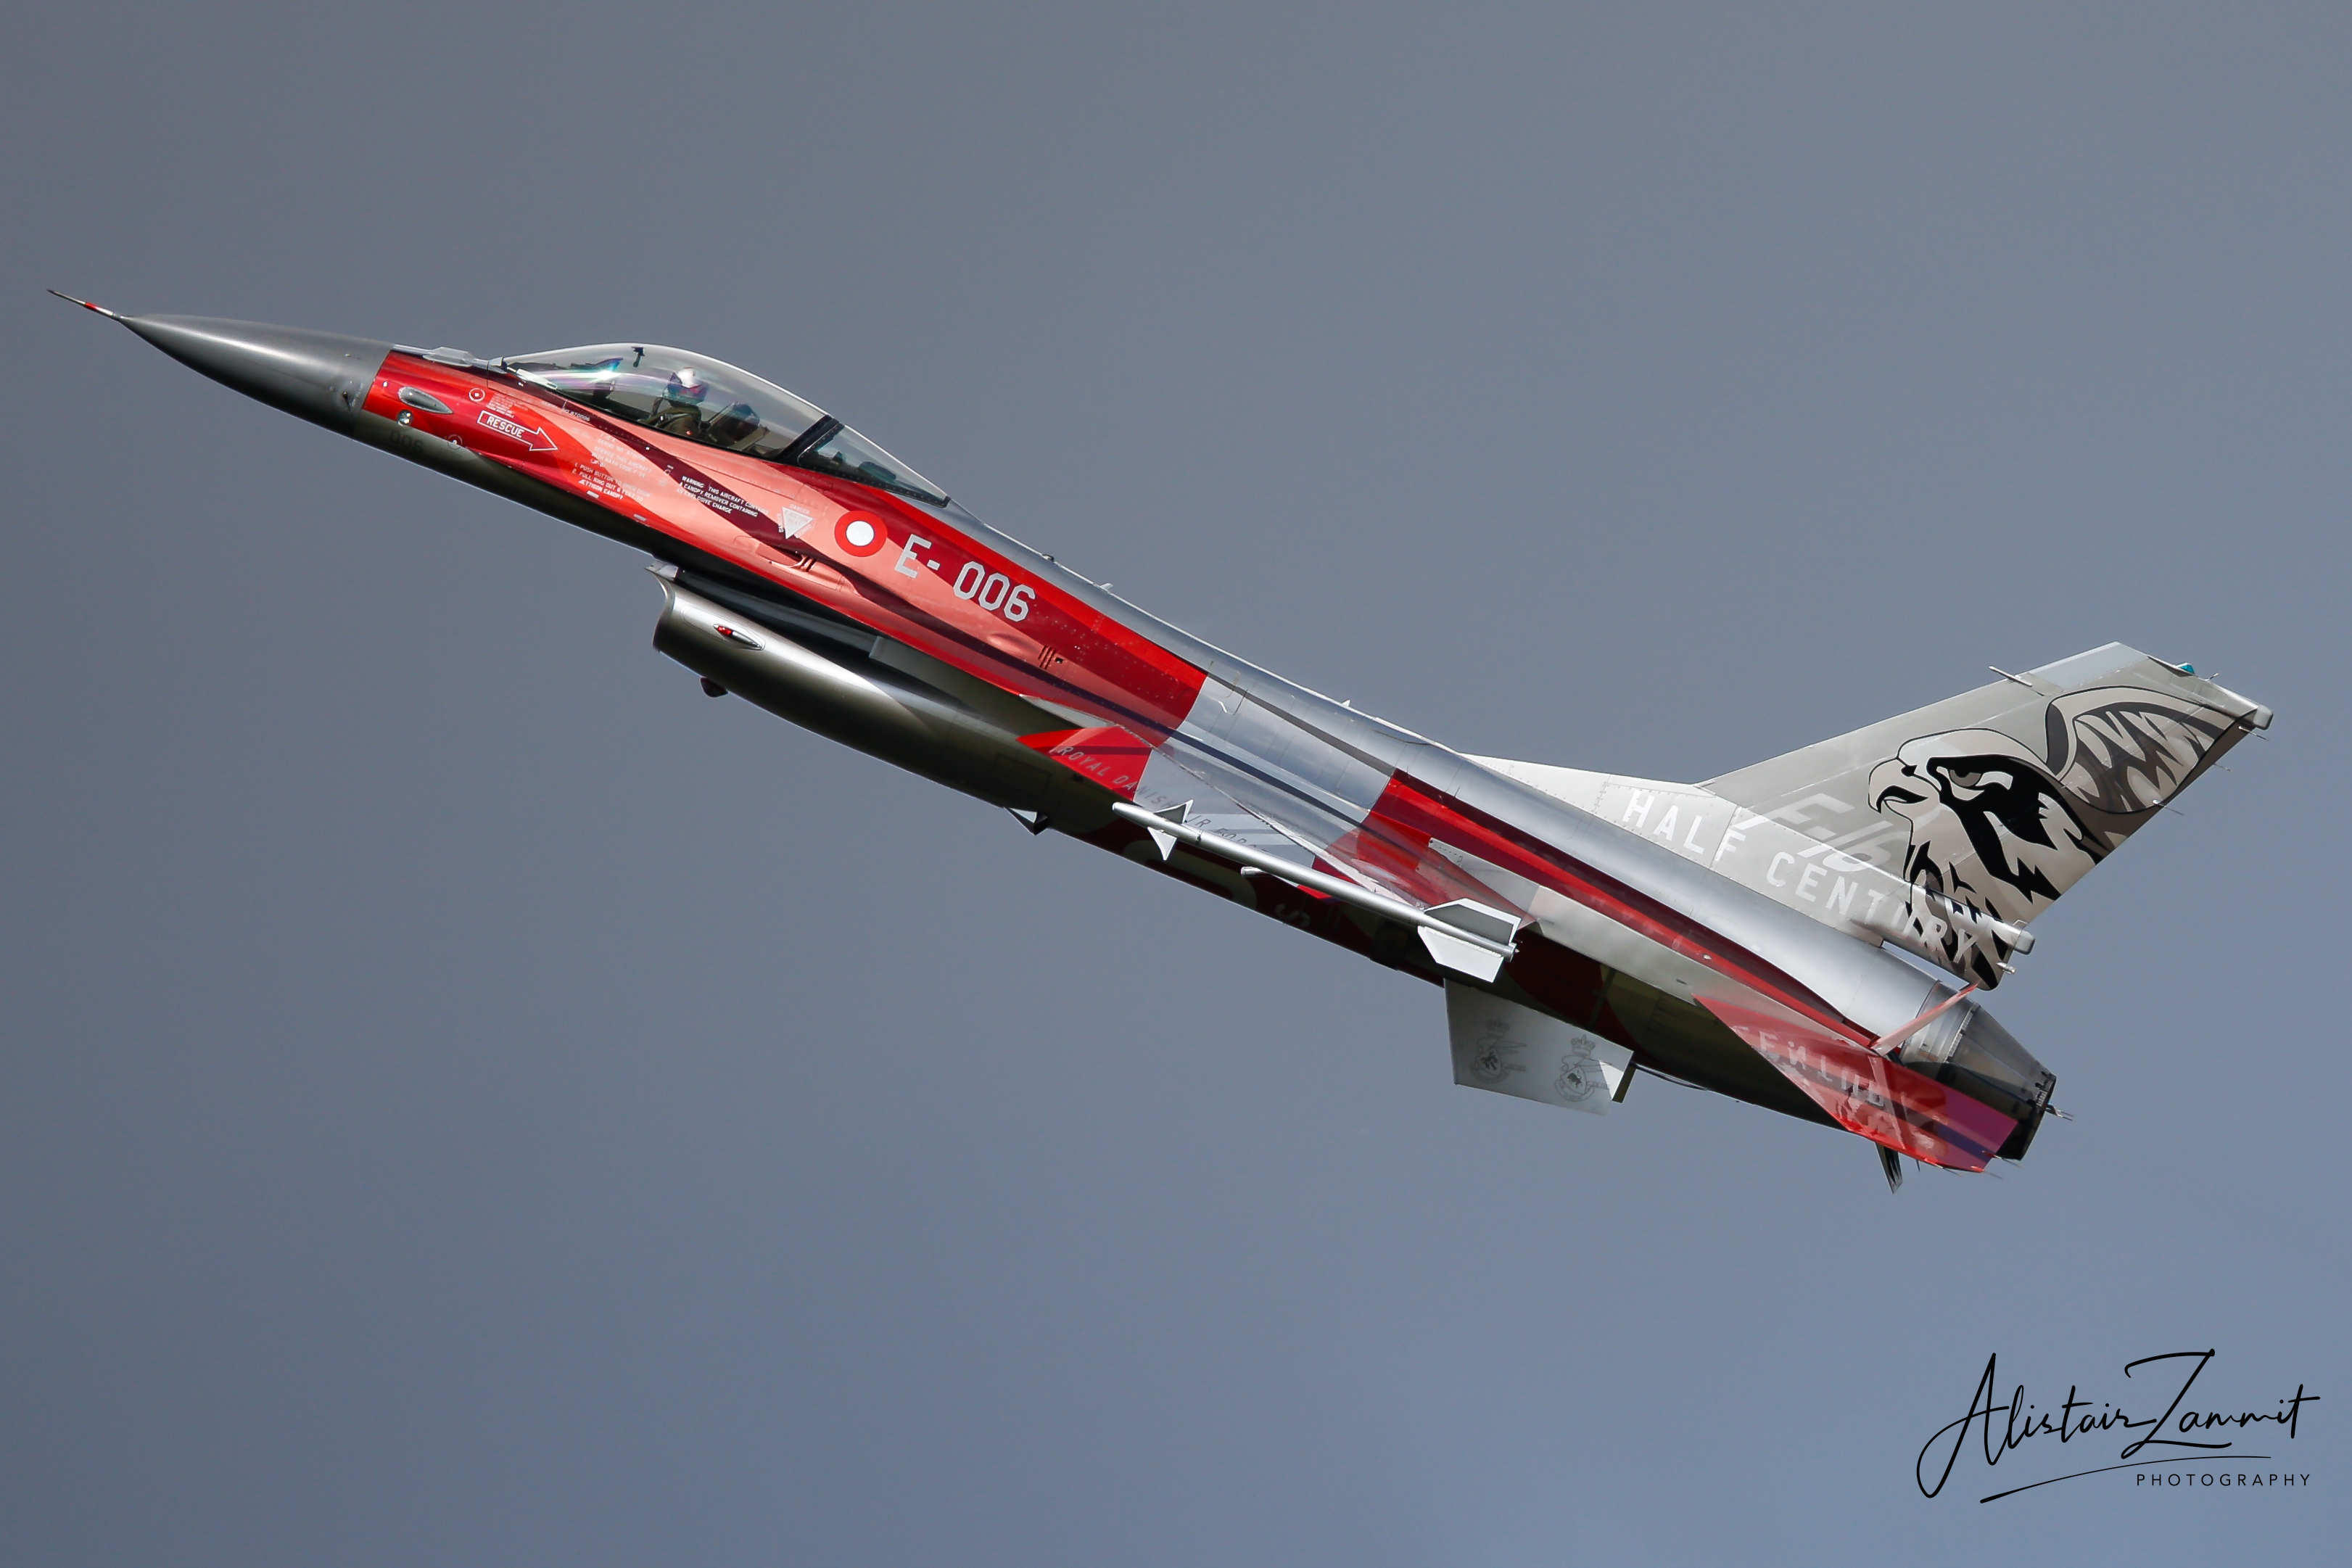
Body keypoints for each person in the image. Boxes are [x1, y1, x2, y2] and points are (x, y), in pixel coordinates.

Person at [649, 366, 709, 438]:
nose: (670, 390)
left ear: (688, 393)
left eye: (675, 388)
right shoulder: (674, 413)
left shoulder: (683, 424)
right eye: (672, 386)